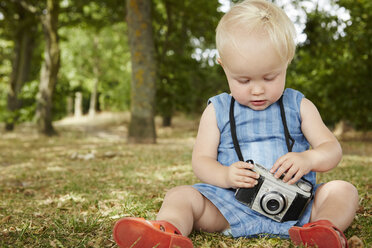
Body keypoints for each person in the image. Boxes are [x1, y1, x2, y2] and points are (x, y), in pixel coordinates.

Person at [112, 0, 359, 247]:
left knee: (343, 190)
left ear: (287, 61)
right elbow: (201, 161)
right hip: (230, 206)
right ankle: (168, 230)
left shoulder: (299, 106)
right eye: (243, 80)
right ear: (223, 66)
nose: (258, 90)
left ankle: (322, 228)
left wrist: (308, 159)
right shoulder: (216, 111)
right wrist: (226, 175)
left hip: (298, 207)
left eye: (270, 77)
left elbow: (331, 148)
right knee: (181, 195)